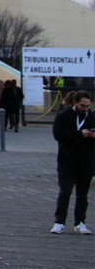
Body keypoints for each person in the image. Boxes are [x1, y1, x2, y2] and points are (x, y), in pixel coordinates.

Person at [50, 90, 94, 235]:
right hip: (67, 161)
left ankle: (80, 222)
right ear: (75, 103)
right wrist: (79, 134)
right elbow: (58, 134)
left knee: (82, 195)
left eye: (88, 106)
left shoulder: (91, 117)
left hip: (86, 162)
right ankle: (59, 222)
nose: (85, 109)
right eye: (83, 105)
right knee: (65, 193)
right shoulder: (63, 116)